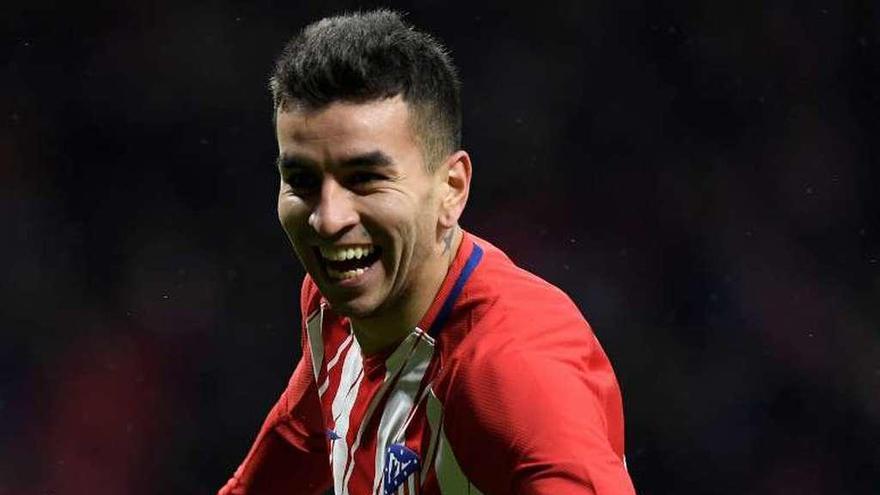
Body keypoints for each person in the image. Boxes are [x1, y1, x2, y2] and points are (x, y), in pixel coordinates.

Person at [219, 10, 635, 495]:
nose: (328, 219)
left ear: (451, 189)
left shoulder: (507, 369)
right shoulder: (331, 305)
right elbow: (295, 446)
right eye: (303, 182)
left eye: (365, 180)